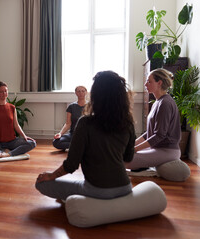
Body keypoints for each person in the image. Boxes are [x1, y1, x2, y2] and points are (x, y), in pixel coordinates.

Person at [35, 71, 135, 201]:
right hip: (125, 188)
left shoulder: (85, 122)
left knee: (41, 184)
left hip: (97, 191)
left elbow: (71, 165)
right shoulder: (128, 123)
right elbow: (128, 157)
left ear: (96, 95)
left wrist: (52, 175)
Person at [126, 68, 181, 172]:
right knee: (122, 154)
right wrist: (132, 145)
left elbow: (159, 135)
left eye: (149, 81)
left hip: (167, 151)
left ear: (159, 83)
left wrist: (133, 150)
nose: (145, 84)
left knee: (124, 160)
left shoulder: (165, 103)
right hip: (157, 148)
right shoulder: (157, 102)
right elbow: (149, 134)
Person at [0, 81, 36, 159]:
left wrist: (24, 136)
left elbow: (16, 125)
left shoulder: (12, 107)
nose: (4, 93)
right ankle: (2, 151)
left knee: (32, 143)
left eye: (6, 91)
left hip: (12, 141)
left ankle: (8, 154)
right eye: (1, 91)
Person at [53, 86, 87, 150]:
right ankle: (80, 146)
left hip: (86, 135)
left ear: (86, 92)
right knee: (56, 142)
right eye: (78, 91)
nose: (81, 93)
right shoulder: (71, 106)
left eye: (83, 91)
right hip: (73, 134)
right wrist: (60, 133)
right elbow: (68, 123)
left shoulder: (91, 106)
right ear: (76, 93)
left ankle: (78, 146)